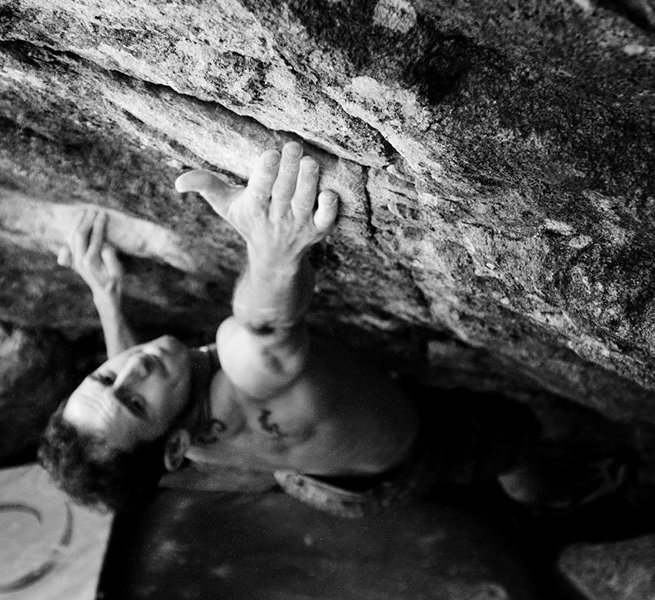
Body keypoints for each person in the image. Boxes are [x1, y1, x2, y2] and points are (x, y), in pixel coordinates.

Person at [38, 142, 631, 517]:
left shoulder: (161, 445)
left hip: (315, 480)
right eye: (135, 400)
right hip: (412, 456)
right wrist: (275, 251)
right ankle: (555, 489)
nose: (132, 367)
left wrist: (106, 296)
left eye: (105, 375)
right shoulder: (242, 378)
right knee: (510, 435)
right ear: (171, 447)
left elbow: (123, 406)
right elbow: (263, 336)